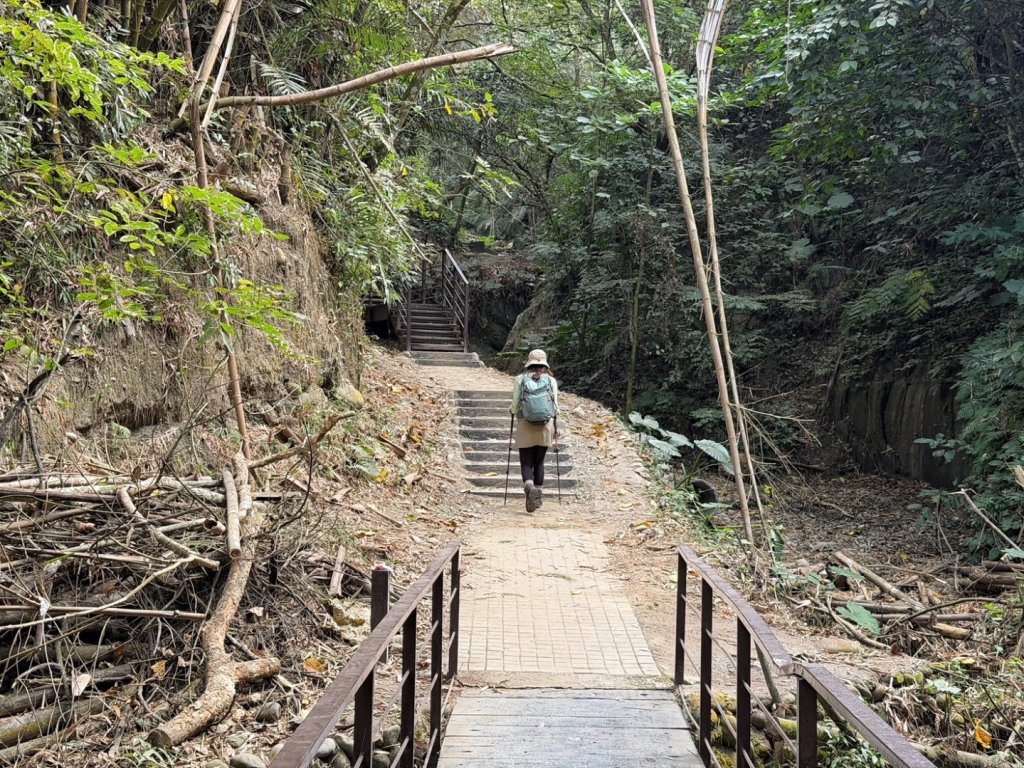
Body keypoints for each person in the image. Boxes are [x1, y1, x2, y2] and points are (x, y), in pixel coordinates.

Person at [510, 349, 559, 513]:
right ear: (545, 363)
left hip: (525, 423)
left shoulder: (520, 379)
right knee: (539, 462)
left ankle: (530, 488)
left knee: (526, 462)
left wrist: (512, 411)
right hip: (545, 425)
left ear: (529, 363)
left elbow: (515, 404)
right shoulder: (551, 380)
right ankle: (538, 491)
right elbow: (556, 407)